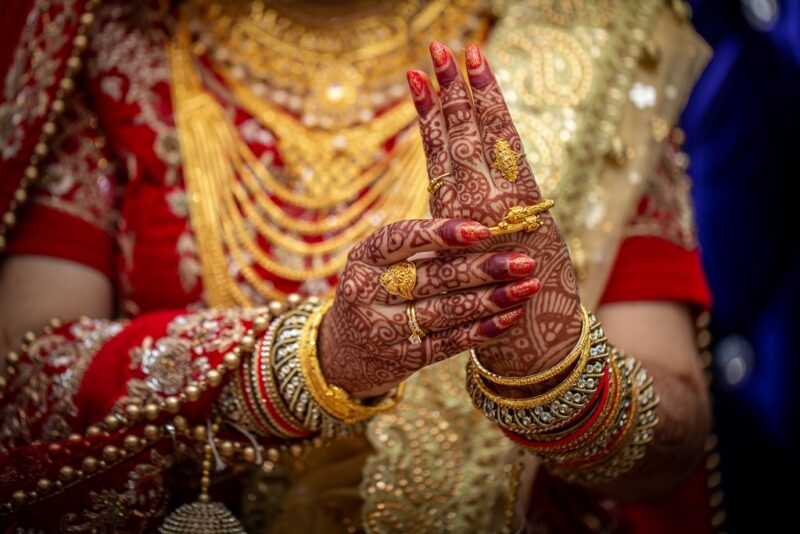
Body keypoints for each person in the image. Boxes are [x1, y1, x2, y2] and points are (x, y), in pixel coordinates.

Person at [0, 0, 714, 531]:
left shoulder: (584, 44)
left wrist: (560, 379)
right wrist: (309, 364)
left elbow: (675, 446)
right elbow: (23, 387)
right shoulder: (113, 39)